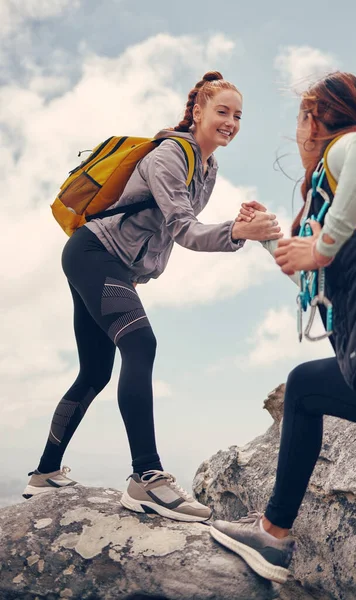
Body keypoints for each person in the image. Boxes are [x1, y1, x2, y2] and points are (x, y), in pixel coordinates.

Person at [209, 71, 356, 582]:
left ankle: (273, 536)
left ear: (313, 121)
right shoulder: (335, 194)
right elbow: (320, 277)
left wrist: (321, 245)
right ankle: (273, 535)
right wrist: (269, 239)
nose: (297, 133)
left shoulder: (343, 150)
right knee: (305, 387)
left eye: (300, 119)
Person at [23, 71, 282, 523]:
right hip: (93, 254)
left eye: (238, 116)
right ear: (198, 111)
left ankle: (44, 473)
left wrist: (235, 223)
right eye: (222, 111)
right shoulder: (171, 154)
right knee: (141, 344)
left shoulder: (209, 167)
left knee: (95, 371)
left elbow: (167, 224)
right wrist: (238, 232)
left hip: (105, 261)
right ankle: (147, 477)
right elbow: (184, 231)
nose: (231, 122)